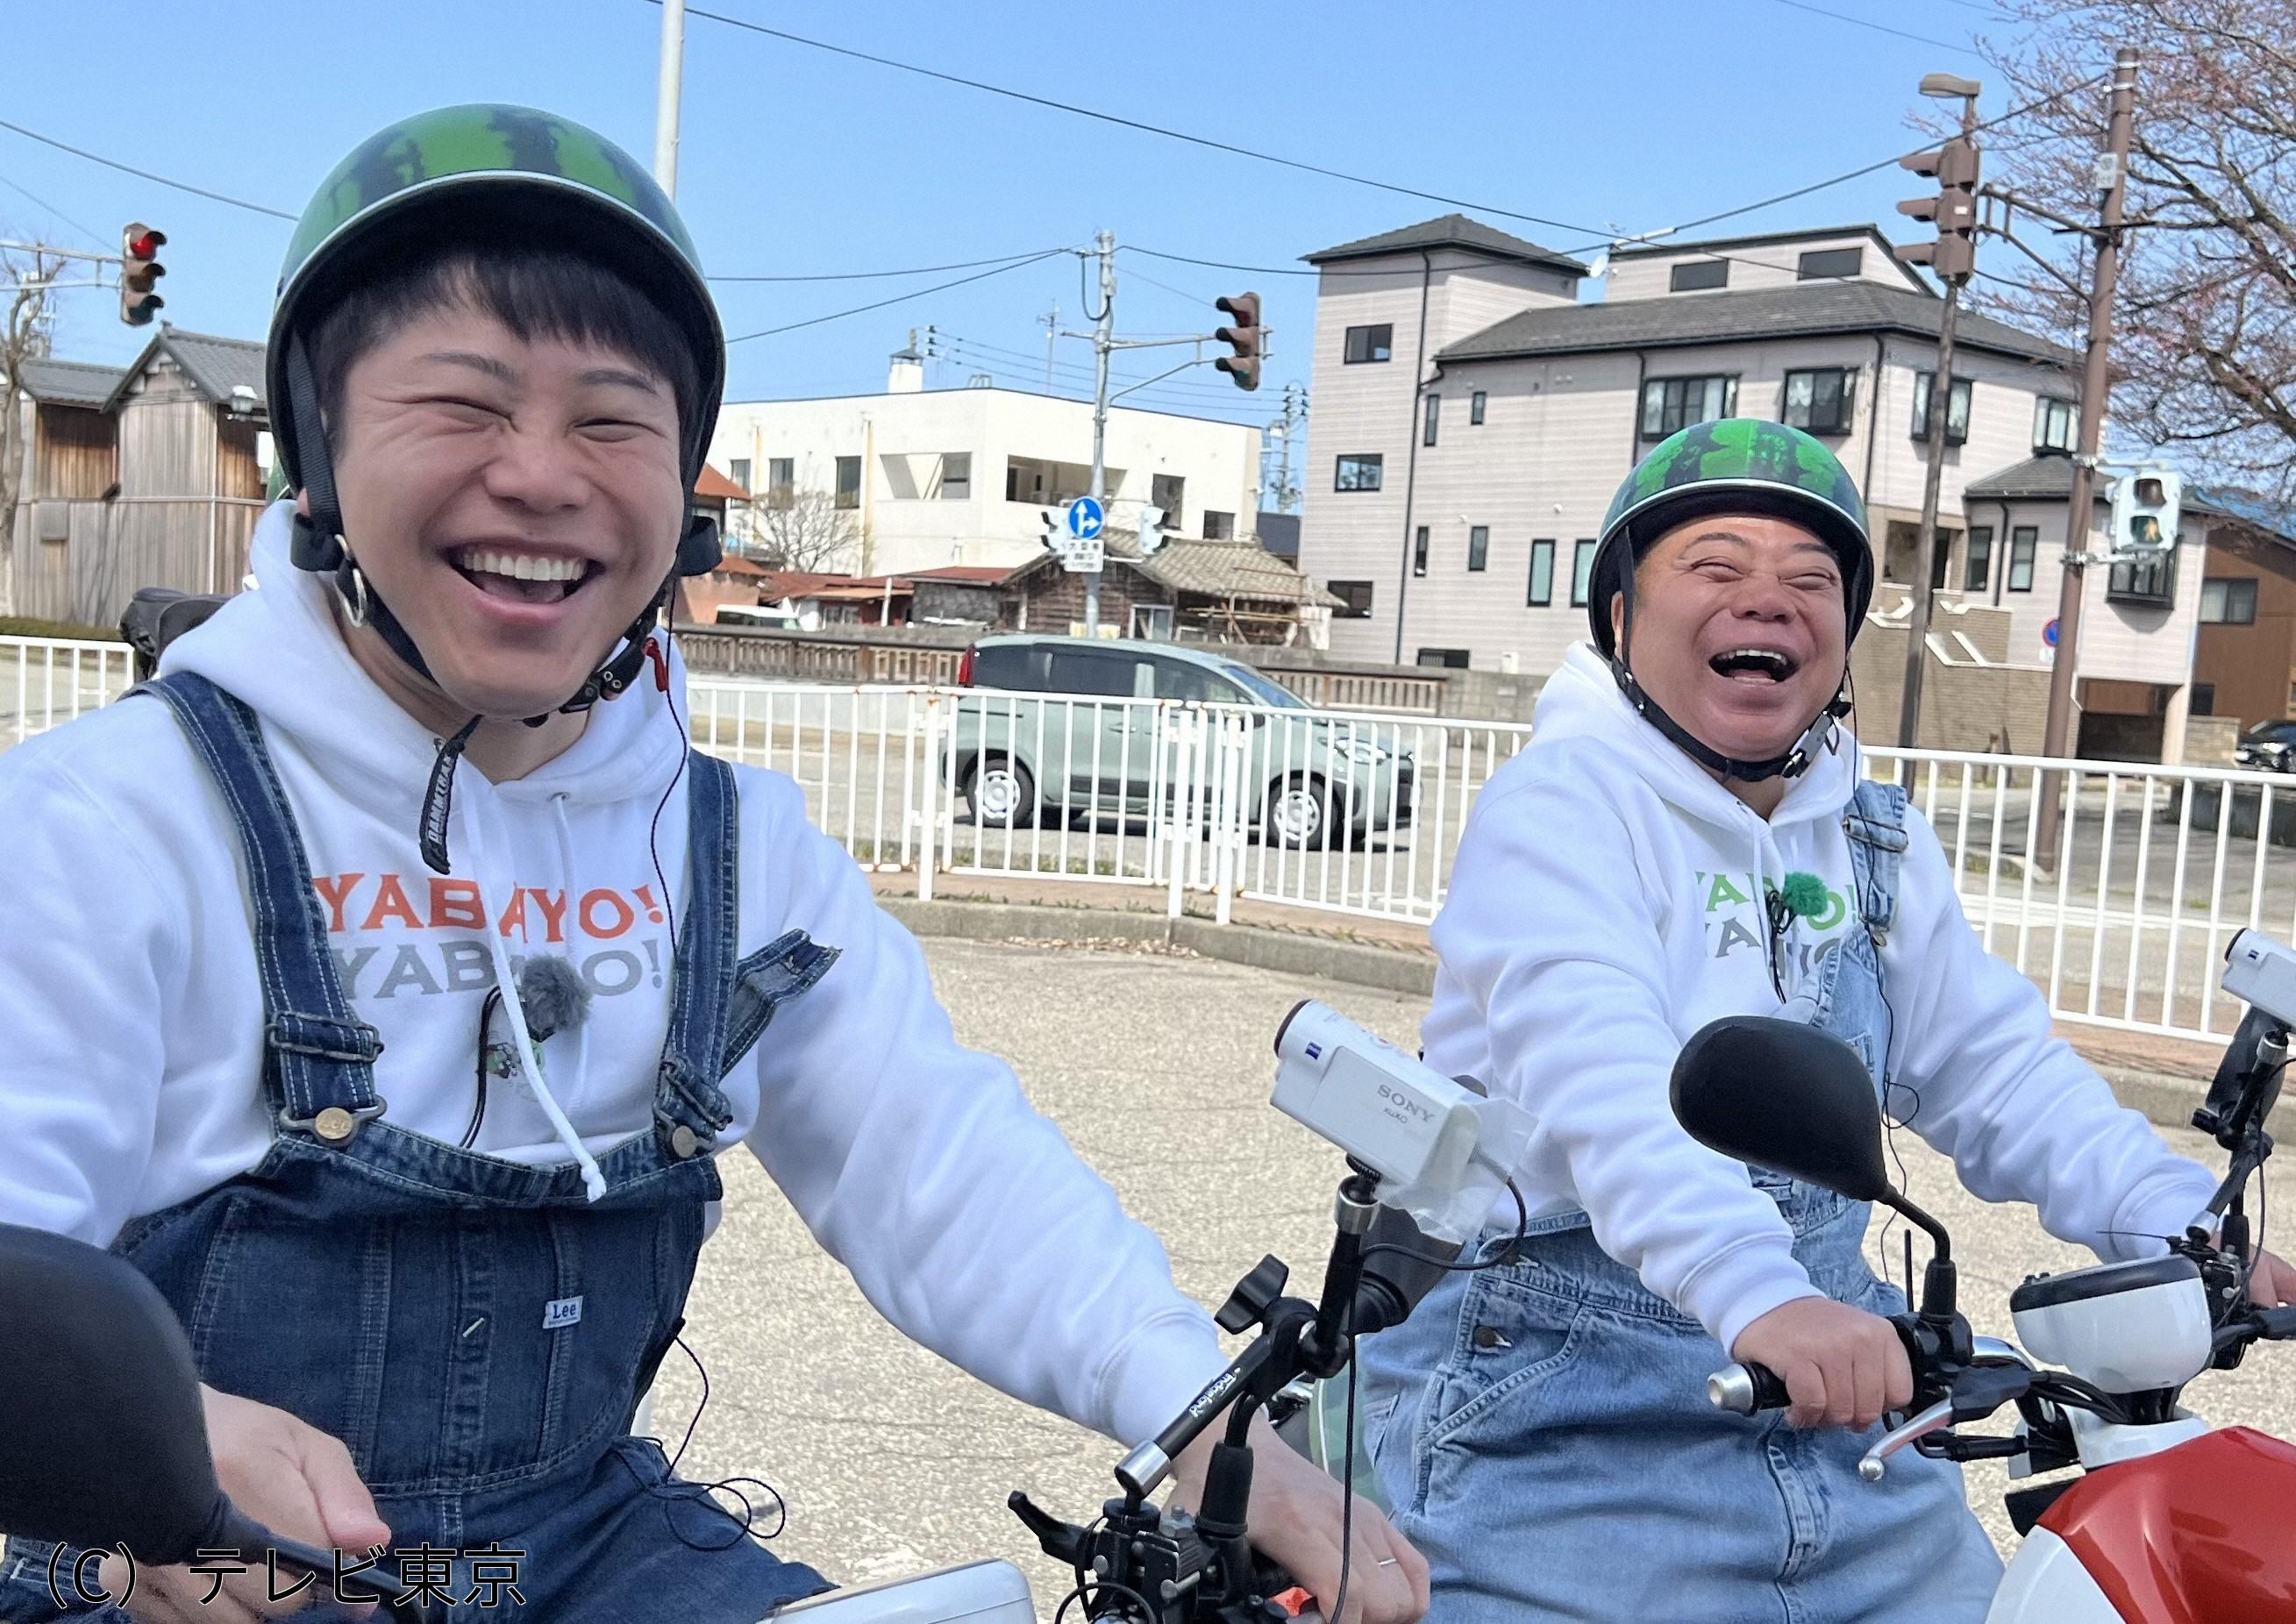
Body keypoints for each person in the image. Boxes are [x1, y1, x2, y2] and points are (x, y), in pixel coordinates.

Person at [0, 105, 1428, 1624]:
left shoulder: (733, 846)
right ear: (317, 455)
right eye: (463, 405)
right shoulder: (116, 818)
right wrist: (159, 1467)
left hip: (575, 1543)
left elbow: (935, 1165)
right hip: (188, 1562)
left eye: (614, 420)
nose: (543, 476)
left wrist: (1207, 1420)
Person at [1351, 418, 2295, 1621]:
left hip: (1850, 1413)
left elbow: (1990, 1069)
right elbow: (1599, 1076)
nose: (1767, 600)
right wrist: (1759, 1291)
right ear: (1617, 621)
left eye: (1810, 580)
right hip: (1559, 1425)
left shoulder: (1871, 836)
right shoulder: (1559, 808)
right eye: (1714, 567)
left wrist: (2172, 1220)